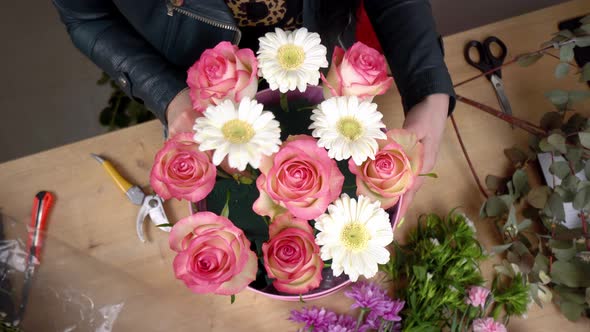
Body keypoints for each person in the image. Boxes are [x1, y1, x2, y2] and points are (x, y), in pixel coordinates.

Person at [53, 0, 455, 217]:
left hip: (324, 70)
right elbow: (86, 15)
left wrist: (428, 91)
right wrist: (168, 95)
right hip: (199, 94)